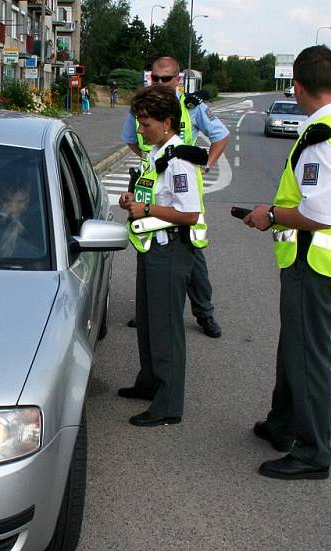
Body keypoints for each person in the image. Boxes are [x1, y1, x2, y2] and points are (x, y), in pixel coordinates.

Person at [243, 45, 331, 480]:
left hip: (314, 262)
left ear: (296, 88)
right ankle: (283, 423)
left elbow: (318, 214)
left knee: (308, 356)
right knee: (296, 346)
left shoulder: (322, 136)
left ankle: (314, 452)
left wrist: (271, 216)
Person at [116, 85, 207, 427]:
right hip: (152, 247)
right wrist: (132, 200)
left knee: (166, 329)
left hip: (170, 250)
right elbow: (149, 193)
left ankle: (168, 404)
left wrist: (147, 207)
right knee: (149, 321)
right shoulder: (156, 154)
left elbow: (189, 213)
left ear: (167, 122)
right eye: (139, 122)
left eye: (146, 123)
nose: (140, 130)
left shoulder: (179, 159)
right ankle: (149, 382)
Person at [122, 56, 229, 339]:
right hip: (154, 187)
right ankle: (149, 309)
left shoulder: (192, 106)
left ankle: (205, 313)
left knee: (191, 253)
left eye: (165, 79)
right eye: (155, 78)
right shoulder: (142, 107)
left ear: (178, 79)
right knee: (149, 248)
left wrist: (204, 165)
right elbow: (131, 140)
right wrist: (151, 160)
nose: (159, 83)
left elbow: (221, 136)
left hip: (181, 189)